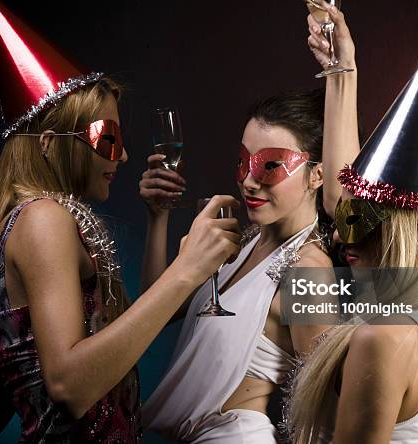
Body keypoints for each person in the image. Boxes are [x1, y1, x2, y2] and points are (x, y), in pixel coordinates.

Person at [0, 2, 240, 442]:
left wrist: (158, 220)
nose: (122, 156)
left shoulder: (23, 222)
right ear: (49, 143)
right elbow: (69, 387)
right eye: (108, 139)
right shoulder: (42, 219)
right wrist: (187, 269)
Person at [287, 8, 418, 444]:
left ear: (405, 234)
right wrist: (339, 71)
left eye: (361, 224)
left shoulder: (383, 338)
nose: (339, 234)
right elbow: (342, 203)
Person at [139, 88, 334, 443]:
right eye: (245, 161)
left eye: (270, 166)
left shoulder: (308, 271)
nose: (248, 180)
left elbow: (322, 410)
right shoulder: (244, 240)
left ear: (317, 175)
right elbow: (155, 311)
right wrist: (158, 217)